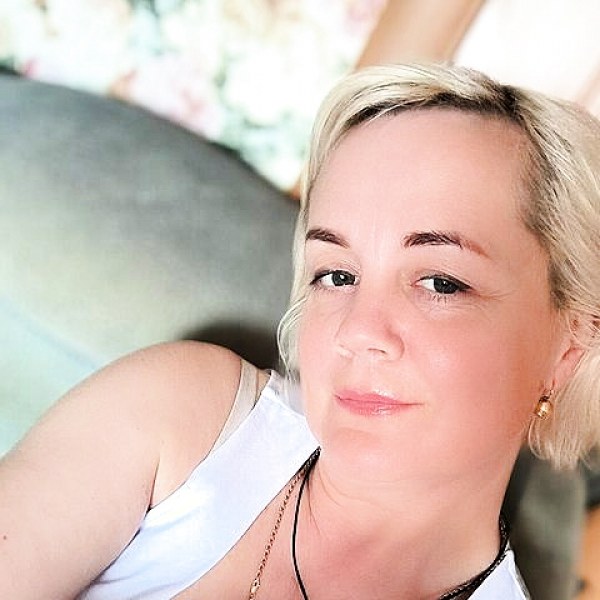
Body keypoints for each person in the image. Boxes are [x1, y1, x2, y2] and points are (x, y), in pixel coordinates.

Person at [2, 63, 600, 599]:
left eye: (440, 283)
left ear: (567, 348)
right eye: (337, 275)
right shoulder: (182, 420)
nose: (358, 331)